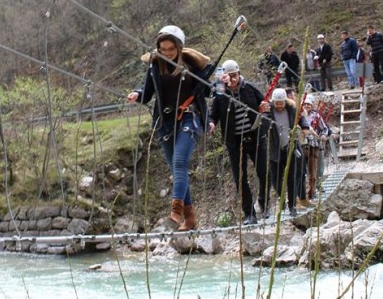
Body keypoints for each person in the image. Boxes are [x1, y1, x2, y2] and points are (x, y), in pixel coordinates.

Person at [127, 25, 212, 231]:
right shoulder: (154, 66)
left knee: (180, 161)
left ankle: (176, 212)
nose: (167, 53)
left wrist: (218, 83)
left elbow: (209, 90)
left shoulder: (193, 65)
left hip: (190, 118)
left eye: (171, 49)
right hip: (164, 123)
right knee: (176, 168)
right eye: (163, 49)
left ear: (179, 48)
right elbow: (147, 92)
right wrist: (137, 95)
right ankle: (190, 219)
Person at [209, 60, 270, 225]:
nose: (233, 79)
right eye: (229, 76)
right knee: (240, 178)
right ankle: (249, 214)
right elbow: (212, 114)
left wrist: (265, 108)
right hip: (235, 142)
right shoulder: (220, 94)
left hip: (255, 137)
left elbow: (264, 104)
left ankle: (264, 202)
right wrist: (211, 123)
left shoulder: (249, 88)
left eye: (235, 75)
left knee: (264, 172)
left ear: (239, 73)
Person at [266, 88, 308, 217]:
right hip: (275, 149)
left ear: (285, 101)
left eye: (281, 103)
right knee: (275, 180)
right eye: (277, 103)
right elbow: (263, 122)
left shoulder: (292, 110)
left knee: (292, 178)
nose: (279, 106)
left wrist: (305, 127)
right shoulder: (269, 111)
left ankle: (292, 207)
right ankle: (282, 198)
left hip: (291, 147)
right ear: (273, 102)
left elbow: (301, 118)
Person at [302, 94, 330, 201]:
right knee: (301, 172)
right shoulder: (300, 115)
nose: (307, 106)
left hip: (313, 146)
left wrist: (323, 135)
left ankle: (311, 193)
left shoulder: (316, 116)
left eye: (309, 104)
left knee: (313, 171)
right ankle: (302, 194)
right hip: (301, 146)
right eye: (305, 104)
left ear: (312, 105)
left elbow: (324, 128)